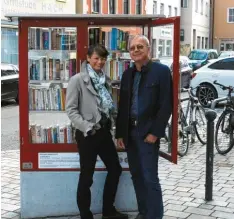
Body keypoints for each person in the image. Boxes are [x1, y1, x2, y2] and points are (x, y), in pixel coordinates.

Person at [66, 44, 128, 219]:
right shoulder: (77, 80)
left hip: (104, 133)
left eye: (102, 59)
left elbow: (109, 107)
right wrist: (87, 127)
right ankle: (85, 214)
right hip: (88, 134)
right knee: (87, 176)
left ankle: (108, 210)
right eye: (96, 58)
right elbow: (71, 110)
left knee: (115, 169)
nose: (99, 62)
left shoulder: (104, 80)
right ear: (88, 58)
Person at [116, 35, 173, 219]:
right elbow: (122, 106)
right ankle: (143, 213)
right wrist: (120, 134)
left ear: (148, 49)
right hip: (130, 133)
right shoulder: (127, 74)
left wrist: (155, 133)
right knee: (137, 176)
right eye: (132, 48)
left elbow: (166, 105)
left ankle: (155, 216)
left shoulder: (161, 71)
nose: (136, 50)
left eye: (140, 46)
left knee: (150, 178)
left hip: (147, 133)